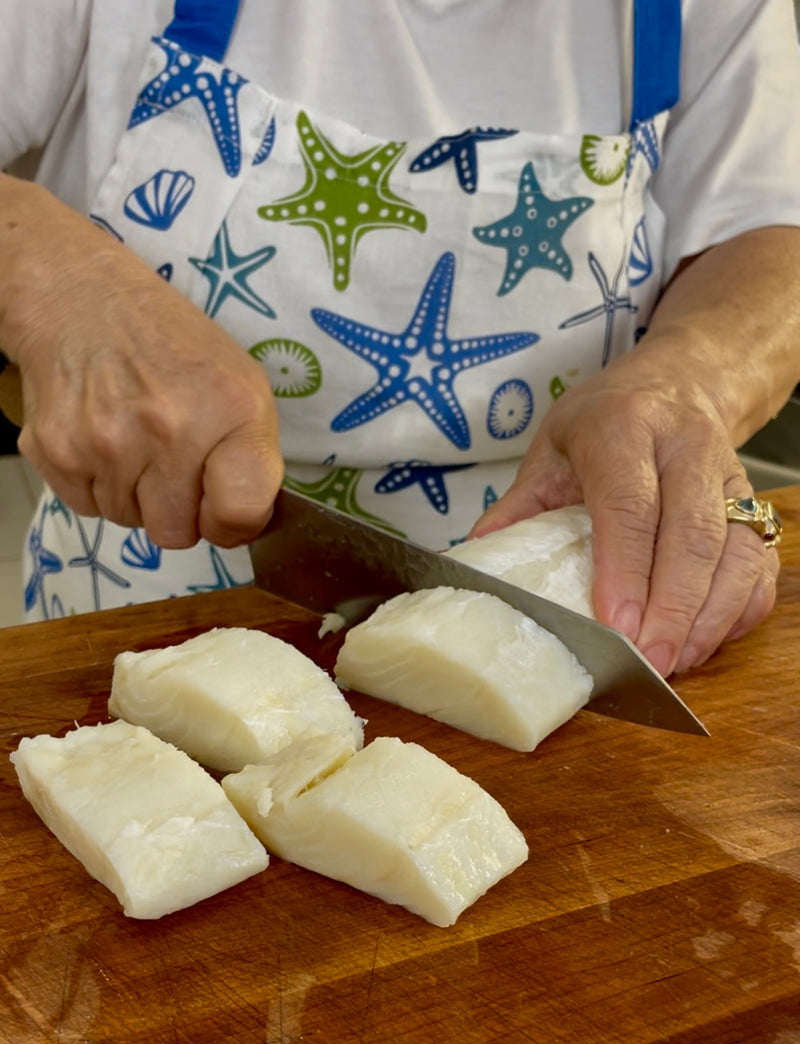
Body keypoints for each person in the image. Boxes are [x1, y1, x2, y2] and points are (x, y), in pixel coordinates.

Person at [0, 0, 799, 681]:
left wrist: (689, 380)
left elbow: (767, 228)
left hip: (551, 633)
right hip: (138, 616)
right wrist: (55, 278)